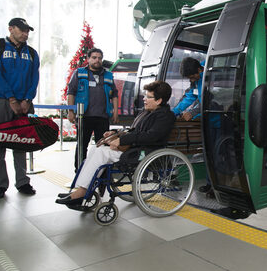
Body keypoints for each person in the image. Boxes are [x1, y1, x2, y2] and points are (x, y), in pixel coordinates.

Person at [56, 81, 175, 206]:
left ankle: (82, 192)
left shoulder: (165, 116)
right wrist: (114, 133)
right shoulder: (147, 113)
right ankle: (82, 189)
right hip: (135, 148)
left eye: (148, 97)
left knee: (101, 153)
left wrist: (122, 140)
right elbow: (133, 130)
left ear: (158, 100)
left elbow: (151, 136)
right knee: (95, 149)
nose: (144, 99)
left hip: (144, 153)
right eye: (145, 96)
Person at [0, 18, 40, 199]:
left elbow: (34, 78)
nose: (25, 34)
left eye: (27, 31)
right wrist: (11, 98)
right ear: (11, 29)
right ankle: (0, 184)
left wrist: (26, 99)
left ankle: (22, 181)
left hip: (24, 103)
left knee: (21, 142)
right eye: (22, 30)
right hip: (1, 101)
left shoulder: (31, 53)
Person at [66, 48, 119, 171]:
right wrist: (70, 111)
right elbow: (71, 92)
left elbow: (114, 95)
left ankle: (100, 172)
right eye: (94, 57)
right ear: (88, 59)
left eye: (100, 58)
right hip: (83, 116)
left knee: (103, 146)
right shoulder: (79, 73)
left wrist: (115, 112)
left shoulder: (108, 75)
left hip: (102, 116)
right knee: (82, 145)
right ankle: (79, 171)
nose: (97, 60)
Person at [172, 57, 212, 193]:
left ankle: (217, 185)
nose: (192, 80)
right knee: (208, 152)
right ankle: (210, 184)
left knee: (216, 153)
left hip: (218, 120)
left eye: (193, 77)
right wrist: (174, 112)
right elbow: (191, 96)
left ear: (199, 70)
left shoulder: (211, 74)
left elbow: (212, 98)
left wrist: (193, 112)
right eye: (189, 78)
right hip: (206, 120)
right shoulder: (195, 79)